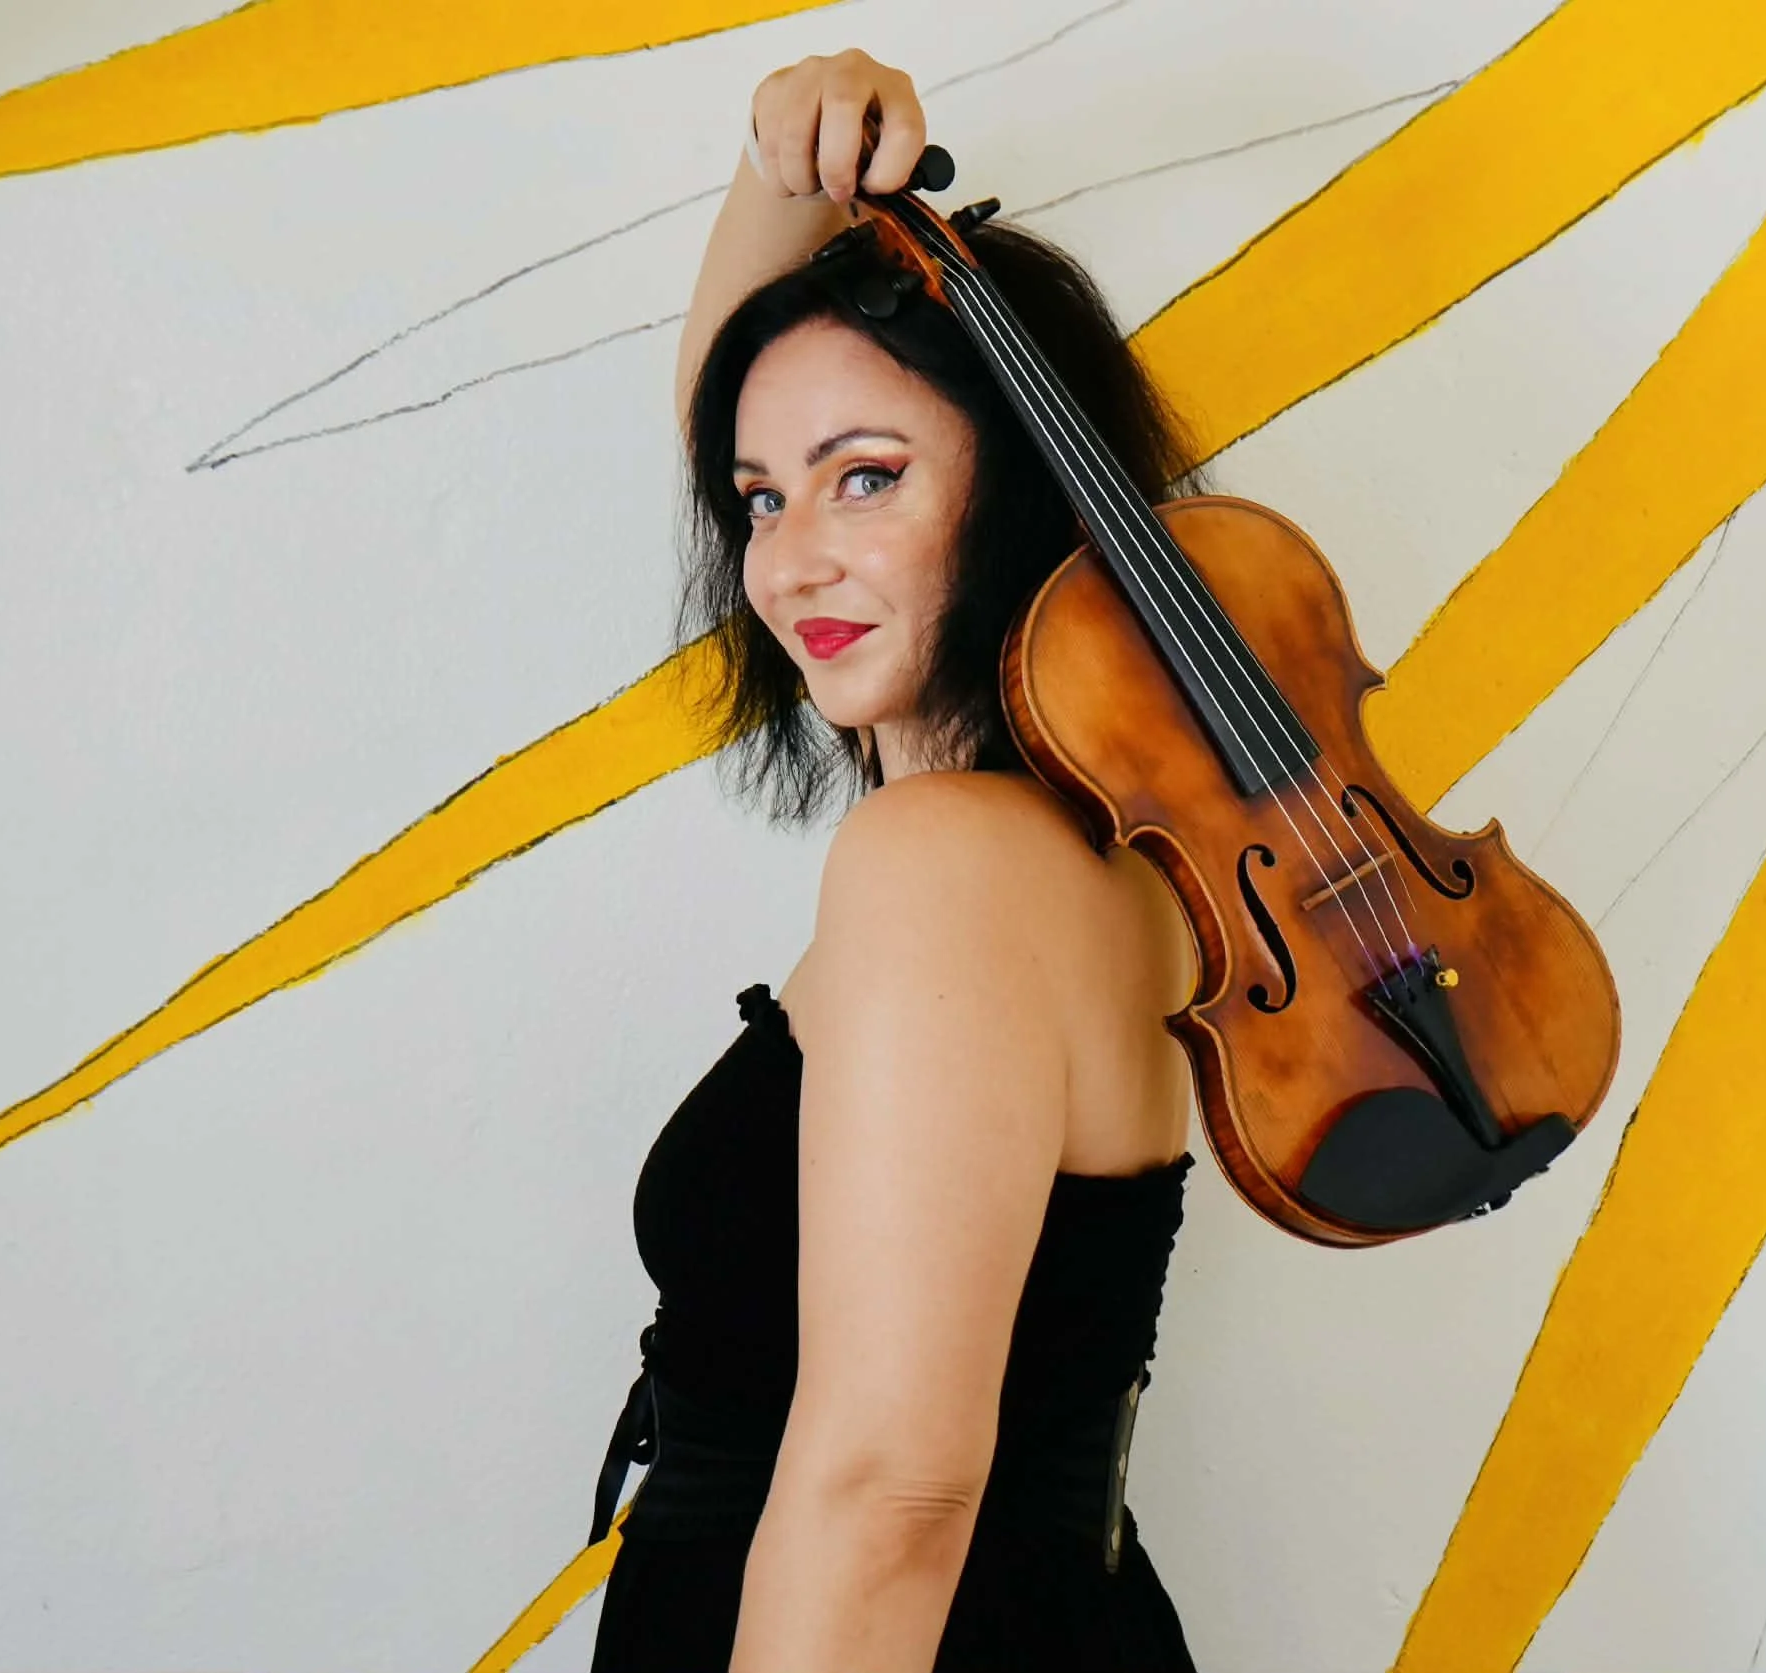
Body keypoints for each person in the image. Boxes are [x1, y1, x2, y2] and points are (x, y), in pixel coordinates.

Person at [588, 47, 1205, 1673]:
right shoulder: (1070, 844)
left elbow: (892, 1496)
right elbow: (746, 407)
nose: (791, 557)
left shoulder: (947, 861)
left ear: (1021, 491)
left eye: (869, 478)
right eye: (759, 499)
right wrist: (800, 143)